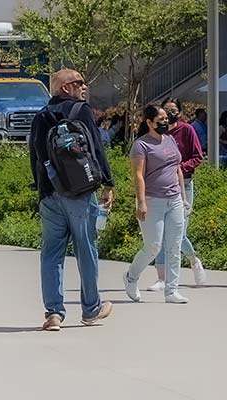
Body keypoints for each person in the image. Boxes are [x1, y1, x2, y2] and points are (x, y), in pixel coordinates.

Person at [28, 68, 115, 331]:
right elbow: (96, 148)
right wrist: (108, 182)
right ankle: (91, 309)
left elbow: (34, 154)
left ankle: (54, 313)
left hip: (50, 195)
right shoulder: (81, 111)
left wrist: (42, 189)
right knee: (86, 250)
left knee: (51, 253)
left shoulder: (41, 116)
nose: (84, 87)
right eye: (79, 83)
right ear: (65, 88)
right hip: (79, 193)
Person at [123, 105, 192, 304]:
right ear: (149, 123)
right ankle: (131, 277)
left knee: (174, 246)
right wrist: (141, 203)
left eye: (166, 118)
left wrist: (183, 196)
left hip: (175, 200)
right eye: (160, 119)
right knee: (153, 246)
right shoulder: (141, 145)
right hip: (153, 200)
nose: (164, 121)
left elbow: (177, 168)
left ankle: (172, 291)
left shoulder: (170, 140)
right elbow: (138, 175)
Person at [148, 105, 209, 287]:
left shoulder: (187, 130)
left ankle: (193, 261)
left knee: (178, 233)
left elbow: (197, 157)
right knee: (161, 233)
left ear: (179, 113)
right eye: (166, 111)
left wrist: (178, 169)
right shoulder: (159, 135)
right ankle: (161, 278)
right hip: (161, 187)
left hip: (185, 185)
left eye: (173, 110)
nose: (169, 114)